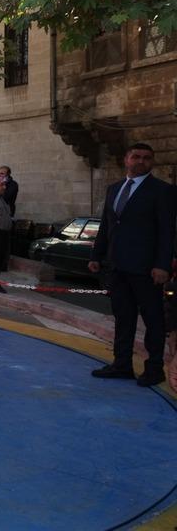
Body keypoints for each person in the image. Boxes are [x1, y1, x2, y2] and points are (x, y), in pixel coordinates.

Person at [88, 143, 177, 387]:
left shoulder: (163, 191)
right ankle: (122, 364)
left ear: (152, 162)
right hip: (117, 267)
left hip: (146, 269)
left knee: (153, 320)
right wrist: (97, 256)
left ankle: (154, 368)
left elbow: (167, 232)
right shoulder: (114, 189)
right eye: (136, 157)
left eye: (147, 158)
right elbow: (106, 226)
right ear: (126, 159)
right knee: (123, 317)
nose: (141, 161)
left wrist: (162, 265)